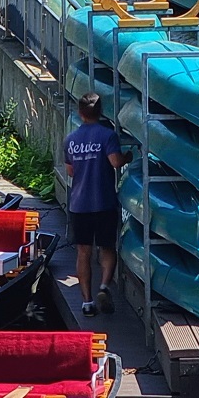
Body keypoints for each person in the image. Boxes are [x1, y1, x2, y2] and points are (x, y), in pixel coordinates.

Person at [64, 95, 124, 316]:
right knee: (107, 247)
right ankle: (104, 286)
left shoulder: (70, 139)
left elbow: (70, 171)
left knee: (83, 252)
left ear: (80, 113)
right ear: (101, 112)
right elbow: (115, 162)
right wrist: (126, 157)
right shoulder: (108, 135)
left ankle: (87, 302)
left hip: (79, 204)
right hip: (104, 202)